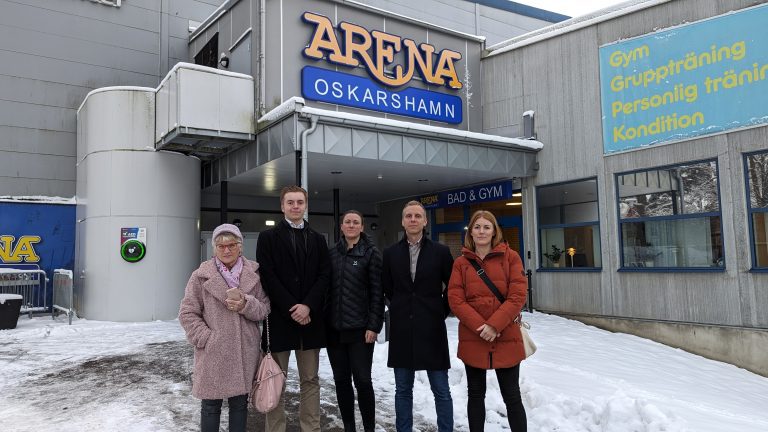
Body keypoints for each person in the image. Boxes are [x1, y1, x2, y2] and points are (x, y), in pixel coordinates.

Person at [179, 223, 271, 432]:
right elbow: (187, 312)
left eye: (231, 245)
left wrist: (246, 304)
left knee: (240, 404)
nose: (226, 250)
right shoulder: (200, 276)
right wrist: (206, 338)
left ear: (240, 246)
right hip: (213, 351)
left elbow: (265, 308)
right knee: (211, 404)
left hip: (243, 351)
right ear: (214, 249)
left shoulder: (254, 274)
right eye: (221, 246)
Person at [256, 185, 331, 432]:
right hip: (279, 319)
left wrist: (307, 306)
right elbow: (268, 276)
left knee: (310, 380)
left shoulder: (318, 239)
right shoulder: (267, 238)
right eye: (291, 202)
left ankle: (311, 428)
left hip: (310, 322)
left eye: (300, 202)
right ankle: (275, 429)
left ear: (306, 205)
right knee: (275, 379)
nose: (295, 206)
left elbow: (324, 275)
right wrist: (292, 307)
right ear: (282, 206)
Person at [447, 210, 528, 431]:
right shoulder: (461, 263)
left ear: (494, 232)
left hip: (506, 334)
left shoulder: (511, 258)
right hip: (474, 336)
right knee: (475, 395)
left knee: (512, 396)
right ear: (470, 232)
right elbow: (455, 299)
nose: (481, 231)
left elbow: (518, 295)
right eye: (477, 227)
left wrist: (494, 325)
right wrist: (481, 327)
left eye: (486, 227)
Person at [382, 200, 454, 432]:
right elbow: (388, 287)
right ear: (402, 221)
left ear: (425, 221)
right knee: (403, 389)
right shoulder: (390, 253)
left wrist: (439, 312)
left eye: (417, 216)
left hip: (432, 329)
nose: (413, 220)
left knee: (441, 389)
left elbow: (452, 288)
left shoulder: (441, 252)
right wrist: (401, 308)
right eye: (408, 216)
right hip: (402, 329)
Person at [327, 210, 384, 432]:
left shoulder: (371, 253)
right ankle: (349, 426)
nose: (351, 225)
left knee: (362, 380)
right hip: (334, 329)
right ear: (341, 226)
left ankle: (368, 427)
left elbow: (377, 293)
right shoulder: (332, 253)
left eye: (356, 222)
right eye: (347, 222)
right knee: (341, 380)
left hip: (360, 330)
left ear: (362, 227)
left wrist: (374, 325)